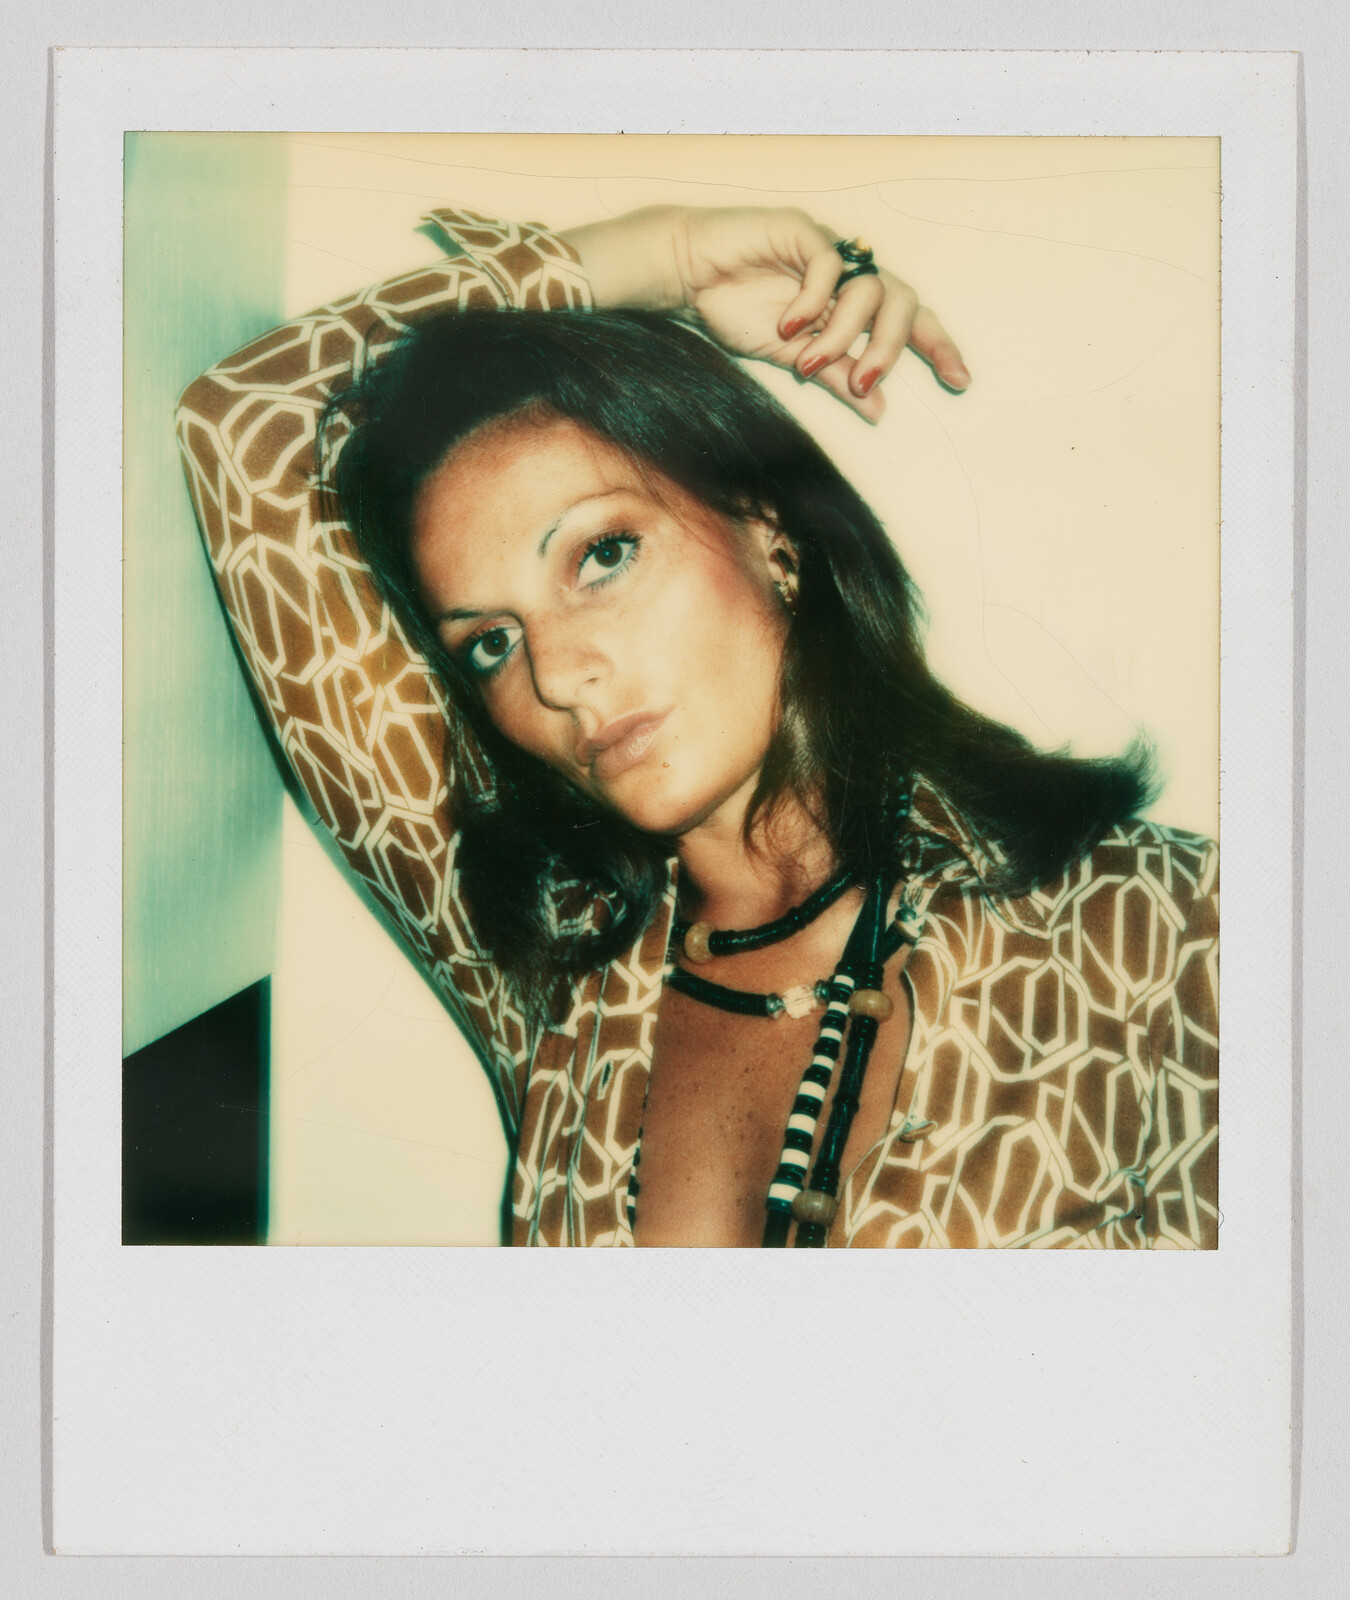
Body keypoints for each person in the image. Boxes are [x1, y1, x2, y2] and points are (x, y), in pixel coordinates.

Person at [177, 202, 1218, 1249]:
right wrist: (660, 257)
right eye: (490, 640)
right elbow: (244, 426)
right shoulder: (556, 970)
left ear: (771, 529)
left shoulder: (1164, 932)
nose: (556, 675)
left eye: (600, 555)